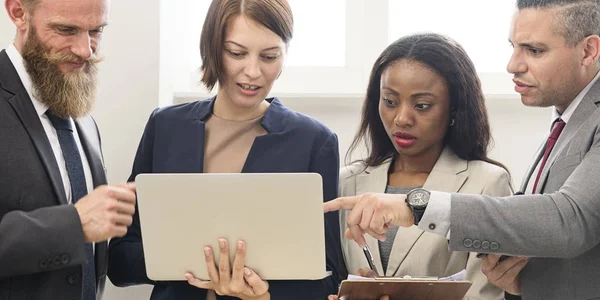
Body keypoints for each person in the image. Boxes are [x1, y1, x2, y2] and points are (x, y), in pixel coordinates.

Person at [324, 0, 600, 299]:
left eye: (534, 50)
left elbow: (570, 220)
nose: (513, 65)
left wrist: (415, 205)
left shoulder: (491, 177)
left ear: (588, 50)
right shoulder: (563, 125)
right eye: (514, 47)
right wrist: (522, 285)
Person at [107, 0, 343, 299]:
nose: (253, 71)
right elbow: (119, 260)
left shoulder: (314, 140)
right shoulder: (165, 127)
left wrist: (264, 294)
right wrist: (192, 260)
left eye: (269, 56)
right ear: (212, 49)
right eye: (236, 53)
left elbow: (328, 278)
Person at [329, 33, 509, 300]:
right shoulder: (349, 181)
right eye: (389, 102)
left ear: (455, 109)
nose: (401, 119)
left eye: (422, 106)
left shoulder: (487, 182)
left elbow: (486, 295)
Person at [0, 0, 137, 299]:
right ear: (18, 12)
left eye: (96, 31)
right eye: (66, 30)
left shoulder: (78, 109)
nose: (85, 50)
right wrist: (73, 226)